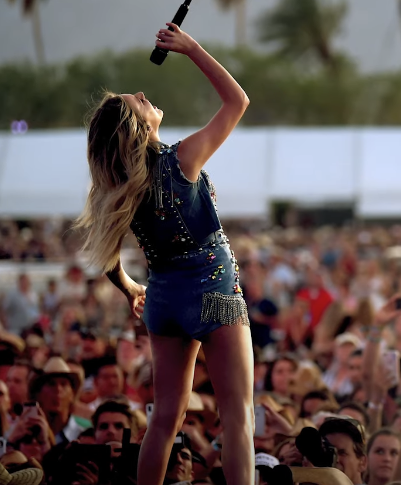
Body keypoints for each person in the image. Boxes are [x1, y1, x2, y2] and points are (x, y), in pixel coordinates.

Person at [73, 22, 252, 485]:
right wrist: (192, 49)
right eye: (138, 101)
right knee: (238, 417)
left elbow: (104, 253)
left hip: (163, 303)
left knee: (164, 421)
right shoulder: (181, 160)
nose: (143, 93)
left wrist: (129, 286)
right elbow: (238, 102)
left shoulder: (117, 190)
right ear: (138, 126)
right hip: (215, 291)